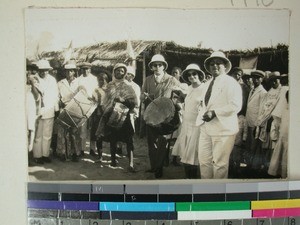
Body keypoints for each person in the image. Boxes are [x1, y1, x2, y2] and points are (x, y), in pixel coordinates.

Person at [197, 51, 243, 179]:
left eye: (218, 63)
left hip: (223, 129)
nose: (215, 66)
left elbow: (236, 105)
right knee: (204, 162)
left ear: (225, 66)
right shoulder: (207, 84)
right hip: (206, 128)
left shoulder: (231, 83)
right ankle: (206, 192)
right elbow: (204, 104)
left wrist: (215, 112)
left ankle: (218, 193)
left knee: (220, 164)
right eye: (212, 63)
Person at [142, 54, 181, 178]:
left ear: (164, 66)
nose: (157, 67)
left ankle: (159, 168)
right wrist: (144, 96)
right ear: (152, 67)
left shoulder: (172, 80)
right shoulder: (148, 80)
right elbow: (142, 97)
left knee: (162, 142)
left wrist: (173, 103)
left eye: (160, 65)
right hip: (152, 116)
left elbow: (179, 96)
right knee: (151, 142)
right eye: (155, 65)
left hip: (166, 117)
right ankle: (154, 166)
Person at [96, 63, 138, 171]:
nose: (120, 73)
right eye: (117, 71)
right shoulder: (110, 86)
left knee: (129, 140)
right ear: (114, 72)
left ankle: (131, 163)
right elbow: (105, 101)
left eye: (122, 71)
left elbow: (134, 102)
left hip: (125, 115)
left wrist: (123, 101)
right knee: (113, 138)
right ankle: (113, 161)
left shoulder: (128, 86)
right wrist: (110, 107)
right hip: (112, 115)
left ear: (125, 73)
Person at [172, 64, 205, 179]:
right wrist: (179, 103)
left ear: (199, 75)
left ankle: (194, 181)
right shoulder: (188, 88)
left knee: (193, 157)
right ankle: (188, 179)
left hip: (197, 126)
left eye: (194, 73)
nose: (191, 76)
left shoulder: (204, 88)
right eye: (189, 74)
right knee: (185, 156)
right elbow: (183, 100)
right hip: (186, 125)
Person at [32, 59, 59, 164]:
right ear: (38, 70)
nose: (43, 72)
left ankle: (45, 154)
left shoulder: (52, 80)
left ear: (49, 70)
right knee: (38, 134)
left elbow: (55, 95)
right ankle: (37, 155)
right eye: (41, 70)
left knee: (47, 134)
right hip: (38, 111)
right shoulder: (35, 79)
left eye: (46, 70)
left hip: (50, 110)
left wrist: (56, 109)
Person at [56, 63, 81, 162]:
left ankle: (75, 153)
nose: (69, 73)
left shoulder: (79, 82)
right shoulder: (60, 83)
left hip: (75, 109)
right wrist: (60, 104)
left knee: (74, 132)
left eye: (71, 70)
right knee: (62, 132)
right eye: (67, 71)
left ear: (74, 71)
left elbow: (82, 94)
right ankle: (63, 153)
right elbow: (57, 97)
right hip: (63, 109)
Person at [244, 70, 267, 165]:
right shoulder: (252, 90)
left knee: (254, 146)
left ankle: (251, 166)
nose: (255, 80)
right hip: (248, 121)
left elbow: (262, 110)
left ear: (261, 79)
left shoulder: (263, 92)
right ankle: (248, 163)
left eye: (258, 78)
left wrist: (257, 126)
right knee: (248, 144)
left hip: (255, 123)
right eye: (254, 78)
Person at [77, 62, 98, 156]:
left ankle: (93, 149)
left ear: (90, 69)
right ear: (81, 69)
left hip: (93, 106)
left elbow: (97, 92)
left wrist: (94, 99)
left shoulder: (94, 79)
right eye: (83, 69)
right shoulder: (78, 80)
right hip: (82, 106)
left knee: (93, 128)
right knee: (82, 128)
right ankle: (82, 149)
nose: (85, 71)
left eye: (87, 69)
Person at [90, 69, 111, 160]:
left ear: (107, 80)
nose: (101, 82)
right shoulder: (96, 91)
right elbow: (93, 103)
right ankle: (100, 155)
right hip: (98, 115)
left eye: (103, 80)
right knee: (98, 135)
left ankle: (112, 155)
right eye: (99, 80)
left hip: (109, 114)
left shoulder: (111, 90)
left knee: (110, 135)